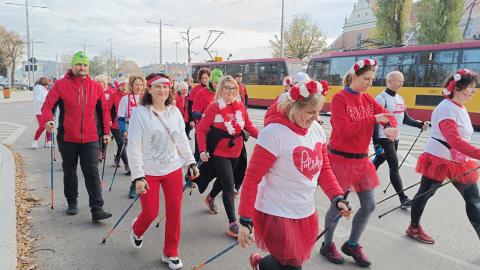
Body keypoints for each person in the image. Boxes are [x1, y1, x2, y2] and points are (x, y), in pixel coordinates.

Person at [238, 80, 352, 270]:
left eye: (318, 111)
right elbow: (252, 178)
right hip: (276, 212)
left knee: (292, 260)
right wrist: (245, 219)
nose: (316, 117)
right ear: (294, 108)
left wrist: (337, 197)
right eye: (310, 112)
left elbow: (323, 169)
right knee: (291, 265)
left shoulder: (316, 130)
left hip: (303, 211)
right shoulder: (274, 133)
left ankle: (260, 265)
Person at [320, 59, 398, 267]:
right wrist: (374, 120)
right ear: (354, 77)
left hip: (362, 161)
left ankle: (352, 244)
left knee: (370, 205)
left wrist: (389, 126)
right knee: (338, 205)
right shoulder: (339, 99)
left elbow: (387, 115)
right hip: (340, 159)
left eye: (372, 80)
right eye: (366, 79)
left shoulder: (368, 99)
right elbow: (343, 130)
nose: (369, 83)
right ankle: (327, 244)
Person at [127, 73, 198, 270]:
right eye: (157, 87)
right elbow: (133, 146)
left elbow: (181, 139)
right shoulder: (140, 113)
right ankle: (137, 229)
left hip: (173, 168)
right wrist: (138, 175)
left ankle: (170, 253)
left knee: (175, 211)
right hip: (149, 171)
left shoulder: (174, 111)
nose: (162, 90)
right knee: (150, 213)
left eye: (165, 87)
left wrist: (190, 162)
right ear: (149, 89)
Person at [406, 69, 480, 244]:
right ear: (457, 88)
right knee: (425, 194)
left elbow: (462, 139)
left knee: (474, 199)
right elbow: (454, 140)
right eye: (470, 87)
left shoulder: (460, 107)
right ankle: (414, 227)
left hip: (459, 160)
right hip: (439, 157)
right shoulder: (446, 108)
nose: (474, 91)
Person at [43, 51, 112, 221]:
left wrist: (106, 133)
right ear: (72, 66)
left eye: (85, 65)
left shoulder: (95, 87)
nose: (82, 68)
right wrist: (48, 120)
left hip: (91, 138)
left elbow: (104, 112)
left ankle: (97, 208)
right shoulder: (60, 85)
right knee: (69, 171)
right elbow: (47, 107)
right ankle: (72, 201)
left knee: (92, 171)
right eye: (79, 64)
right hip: (67, 137)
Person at [196, 75, 259, 237]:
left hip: (237, 151)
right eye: (227, 88)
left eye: (233, 88)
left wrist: (266, 138)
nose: (230, 91)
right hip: (219, 152)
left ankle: (210, 197)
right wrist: (202, 150)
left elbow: (250, 127)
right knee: (229, 185)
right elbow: (201, 129)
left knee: (226, 180)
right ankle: (233, 223)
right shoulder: (213, 108)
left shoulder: (240, 107)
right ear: (221, 90)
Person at [372, 71, 429, 208]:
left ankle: (360, 180)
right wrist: (376, 144)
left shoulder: (400, 98)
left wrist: (420, 124)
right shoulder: (381, 98)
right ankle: (403, 199)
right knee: (394, 166)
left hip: (395, 137)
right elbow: (374, 121)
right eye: (398, 81)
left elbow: (406, 119)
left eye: (402, 81)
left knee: (379, 159)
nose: (401, 83)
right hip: (383, 137)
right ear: (389, 81)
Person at [118, 75, 144, 198]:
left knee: (146, 160)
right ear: (132, 86)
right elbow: (121, 119)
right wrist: (124, 131)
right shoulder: (125, 99)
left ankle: (144, 182)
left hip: (146, 132)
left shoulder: (147, 98)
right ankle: (134, 184)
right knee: (135, 159)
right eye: (136, 85)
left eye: (141, 84)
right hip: (131, 131)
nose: (139, 87)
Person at [192, 68, 222, 161]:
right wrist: (207, 117)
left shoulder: (223, 94)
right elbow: (194, 113)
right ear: (211, 81)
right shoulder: (201, 92)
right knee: (200, 159)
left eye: (219, 83)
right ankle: (192, 174)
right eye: (215, 82)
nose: (217, 85)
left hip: (217, 133)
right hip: (203, 131)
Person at [32, 77, 51, 149]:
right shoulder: (38, 88)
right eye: (47, 83)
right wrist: (47, 100)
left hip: (47, 110)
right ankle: (35, 141)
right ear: (44, 82)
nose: (48, 84)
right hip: (40, 110)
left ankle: (48, 141)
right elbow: (38, 99)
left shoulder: (43, 88)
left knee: (49, 125)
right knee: (43, 126)